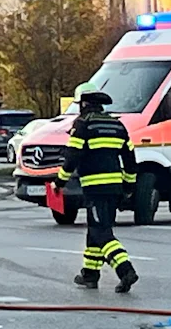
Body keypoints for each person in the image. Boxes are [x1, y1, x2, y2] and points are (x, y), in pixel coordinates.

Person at [55, 83, 139, 293]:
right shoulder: (117, 125)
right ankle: (90, 274)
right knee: (96, 230)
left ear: (84, 103)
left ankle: (125, 270)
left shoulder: (83, 124)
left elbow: (72, 156)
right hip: (115, 188)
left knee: (101, 232)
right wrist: (129, 185)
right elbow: (130, 159)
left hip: (95, 188)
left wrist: (59, 182)